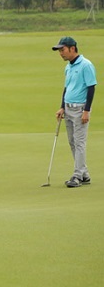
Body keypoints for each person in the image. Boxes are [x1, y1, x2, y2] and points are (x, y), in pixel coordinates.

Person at [52, 36, 97, 188]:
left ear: (72, 48)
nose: (61, 53)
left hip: (80, 109)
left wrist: (86, 110)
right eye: (59, 51)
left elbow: (91, 88)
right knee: (72, 142)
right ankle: (84, 174)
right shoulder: (68, 67)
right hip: (69, 107)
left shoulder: (86, 65)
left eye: (62, 50)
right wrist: (62, 107)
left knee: (79, 143)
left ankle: (77, 175)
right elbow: (67, 88)